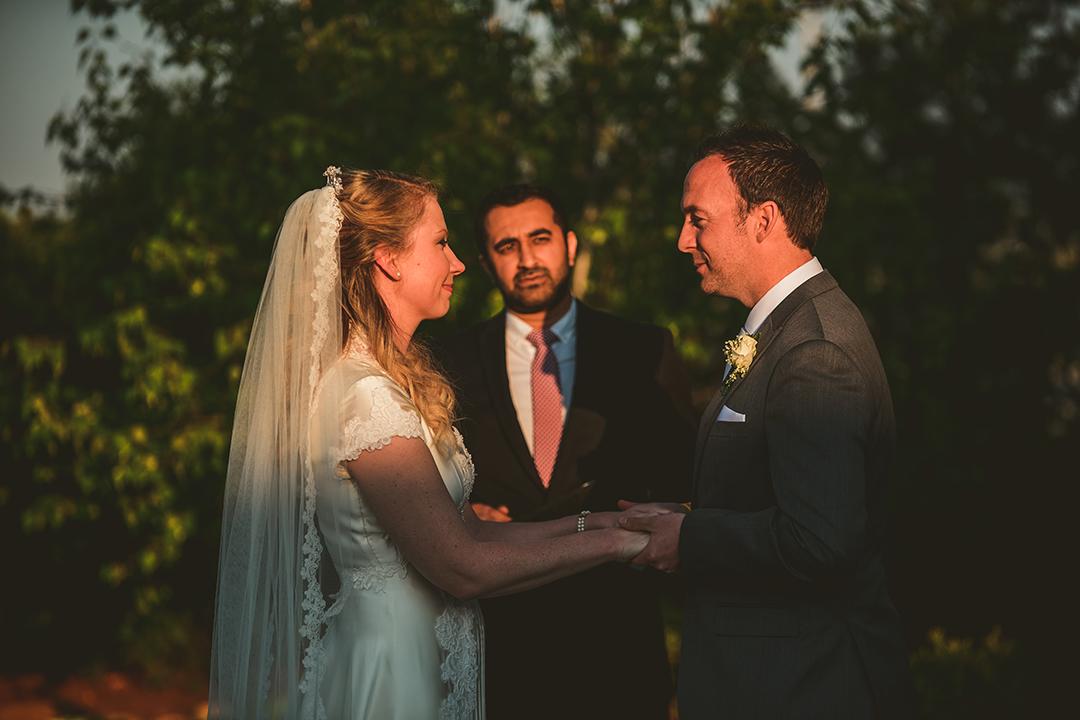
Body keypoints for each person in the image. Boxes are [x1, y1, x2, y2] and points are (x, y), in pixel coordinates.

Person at [206, 168, 649, 720]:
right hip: (392, 673)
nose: (458, 262)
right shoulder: (363, 397)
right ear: (389, 259)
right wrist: (616, 549)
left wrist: (603, 524)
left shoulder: (388, 381)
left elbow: (471, 531)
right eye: (440, 243)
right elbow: (462, 566)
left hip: (425, 656)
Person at [618, 124, 919, 718]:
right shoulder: (787, 329)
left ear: (763, 220)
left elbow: (819, 542)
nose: (682, 240)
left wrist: (690, 538)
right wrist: (686, 516)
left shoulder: (816, 351)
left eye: (697, 219)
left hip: (803, 687)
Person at [436, 184, 696, 719]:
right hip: (498, 647)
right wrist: (460, 515)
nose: (527, 259)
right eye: (507, 247)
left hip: (618, 645)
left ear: (570, 244)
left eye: (540, 238)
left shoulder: (645, 349)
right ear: (485, 262)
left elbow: (683, 492)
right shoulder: (443, 362)